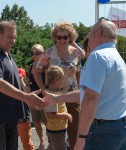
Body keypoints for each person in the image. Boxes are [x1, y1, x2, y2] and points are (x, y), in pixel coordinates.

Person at [44, 19, 126, 150]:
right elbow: (88, 92)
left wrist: (81, 137)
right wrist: (57, 98)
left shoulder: (98, 56)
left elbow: (90, 99)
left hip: (102, 130)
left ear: (97, 34)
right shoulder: (116, 56)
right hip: (119, 126)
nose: (87, 36)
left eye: (89, 32)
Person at [0, 21, 45, 150]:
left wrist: (19, 111)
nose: (14, 41)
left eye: (15, 37)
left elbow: (14, 83)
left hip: (10, 116)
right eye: (10, 37)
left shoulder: (7, 55)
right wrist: (25, 97)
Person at [34, 21, 85, 150]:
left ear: (70, 38)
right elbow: (36, 71)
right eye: (59, 37)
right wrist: (44, 91)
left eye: (65, 37)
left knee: (75, 133)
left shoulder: (75, 53)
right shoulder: (49, 53)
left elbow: (79, 74)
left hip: (72, 97)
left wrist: (80, 92)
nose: (62, 40)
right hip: (53, 98)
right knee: (55, 135)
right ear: (55, 37)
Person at [45, 65, 72, 150]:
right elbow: (51, 115)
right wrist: (66, 115)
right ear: (56, 80)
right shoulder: (52, 96)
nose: (64, 81)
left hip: (57, 129)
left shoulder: (54, 92)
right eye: (62, 79)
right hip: (56, 131)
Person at [28, 44, 47, 150]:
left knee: (48, 122)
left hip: (45, 98)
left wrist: (42, 91)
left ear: (43, 53)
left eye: (37, 53)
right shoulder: (31, 66)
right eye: (33, 53)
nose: (34, 55)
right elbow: (29, 82)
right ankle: (41, 141)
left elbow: (51, 84)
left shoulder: (47, 66)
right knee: (36, 122)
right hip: (34, 99)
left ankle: (51, 142)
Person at [17, 68, 34, 150]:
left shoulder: (26, 87)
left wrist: (21, 81)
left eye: (20, 77)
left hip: (24, 118)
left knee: (27, 144)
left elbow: (28, 93)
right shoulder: (11, 88)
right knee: (11, 143)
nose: (18, 78)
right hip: (13, 119)